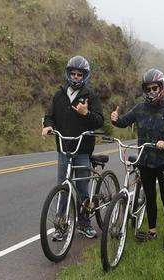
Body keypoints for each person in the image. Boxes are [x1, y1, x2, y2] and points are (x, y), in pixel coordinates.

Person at [111, 68, 164, 247]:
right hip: (145, 161)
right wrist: (114, 119)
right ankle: (152, 231)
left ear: (161, 87)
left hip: (163, 162)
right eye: (148, 89)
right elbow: (123, 122)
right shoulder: (140, 108)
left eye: (154, 88)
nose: (151, 92)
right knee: (149, 197)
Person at [42, 56, 104, 240]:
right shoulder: (59, 94)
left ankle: (84, 224)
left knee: (83, 189)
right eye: (73, 74)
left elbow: (100, 120)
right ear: (68, 74)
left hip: (83, 149)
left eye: (79, 74)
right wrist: (48, 125)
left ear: (85, 76)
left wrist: (87, 113)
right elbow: (50, 115)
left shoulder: (90, 96)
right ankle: (61, 226)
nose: (76, 77)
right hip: (64, 148)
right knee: (63, 187)